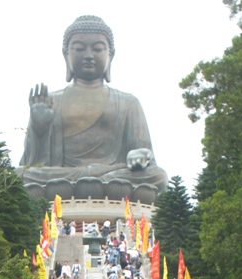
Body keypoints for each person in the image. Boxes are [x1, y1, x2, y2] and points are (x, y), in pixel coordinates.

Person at [18, 15, 168, 202]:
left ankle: (95, 184)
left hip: (111, 175)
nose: (89, 55)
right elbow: (30, 164)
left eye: (97, 48)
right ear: (66, 54)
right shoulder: (51, 100)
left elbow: (146, 158)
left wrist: (139, 156)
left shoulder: (128, 102)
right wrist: (38, 129)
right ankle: (92, 184)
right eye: (79, 48)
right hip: (64, 176)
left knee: (158, 176)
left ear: (110, 54)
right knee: (17, 176)